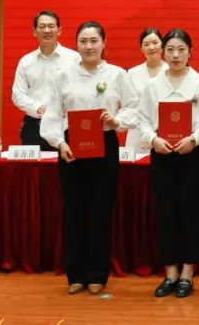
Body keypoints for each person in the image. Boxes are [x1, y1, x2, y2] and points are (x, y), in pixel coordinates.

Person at [40, 21, 136, 294]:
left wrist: (116, 120)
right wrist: (59, 143)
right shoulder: (64, 75)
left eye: (94, 41)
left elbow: (134, 107)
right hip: (72, 148)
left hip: (105, 145)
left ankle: (97, 274)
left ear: (104, 43)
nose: (89, 46)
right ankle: (76, 274)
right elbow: (53, 114)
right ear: (77, 44)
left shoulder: (117, 74)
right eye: (83, 41)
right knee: (74, 211)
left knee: (100, 211)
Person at [136, 28, 199, 298]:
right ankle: (170, 272)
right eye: (170, 49)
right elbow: (142, 120)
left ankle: (187, 273)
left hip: (192, 156)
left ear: (190, 52)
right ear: (163, 52)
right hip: (162, 155)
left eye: (181, 50)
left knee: (192, 213)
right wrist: (153, 139)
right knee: (166, 213)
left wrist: (194, 139)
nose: (175, 55)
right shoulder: (152, 86)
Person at [12, 10, 81, 150]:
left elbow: (82, 90)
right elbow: (17, 94)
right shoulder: (26, 61)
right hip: (34, 126)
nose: (47, 30)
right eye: (42, 26)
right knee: (33, 164)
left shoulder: (74, 58)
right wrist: (36, 107)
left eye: (51, 26)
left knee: (67, 163)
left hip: (66, 126)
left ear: (59, 30)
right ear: (34, 31)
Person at [124, 27, 167, 151]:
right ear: (141, 49)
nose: (151, 47)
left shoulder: (172, 71)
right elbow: (128, 106)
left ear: (163, 46)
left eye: (155, 43)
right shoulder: (132, 73)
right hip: (137, 133)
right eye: (146, 44)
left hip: (165, 133)